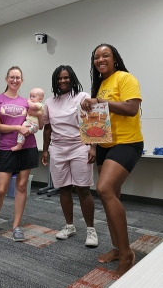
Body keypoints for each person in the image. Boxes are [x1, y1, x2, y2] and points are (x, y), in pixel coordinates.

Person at [81, 43, 143, 279]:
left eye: (105, 55)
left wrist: (99, 102)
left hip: (127, 143)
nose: (100, 59)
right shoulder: (101, 84)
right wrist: (93, 146)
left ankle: (127, 253)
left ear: (115, 58)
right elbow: (98, 119)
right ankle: (117, 249)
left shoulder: (125, 78)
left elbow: (131, 109)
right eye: (96, 57)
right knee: (110, 198)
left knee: (104, 189)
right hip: (105, 146)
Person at [0, 66, 43, 242]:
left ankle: (16, 226)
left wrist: (39, 114)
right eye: (12, 77)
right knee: (1, 189)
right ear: (6, 79)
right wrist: (18, 127)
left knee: (22, 187)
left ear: (22, 81)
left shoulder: (27, 101)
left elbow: (41, 124)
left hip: (28, 146)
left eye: (18, 78)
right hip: (6, 147)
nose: (15, 80)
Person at [42, 65, 98, 247]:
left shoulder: (82, 97)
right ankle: (69, 226)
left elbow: (92, 121)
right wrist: (44, 150)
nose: (62, 81)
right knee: (63, 188)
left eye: (66, 77)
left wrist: (93, 147)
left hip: (79, 146)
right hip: (57, 149)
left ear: (72, 78)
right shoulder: (50, 102)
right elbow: (48, 128)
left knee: (83, 189)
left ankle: (91, 230)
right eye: (59, 78)